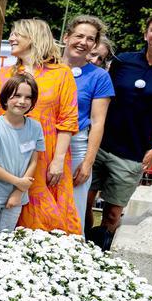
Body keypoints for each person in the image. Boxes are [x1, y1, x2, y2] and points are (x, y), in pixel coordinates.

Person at [89, 11, 152, 249]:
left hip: (133, 155)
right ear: (146, 34)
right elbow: (101, 99)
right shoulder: (123, 61)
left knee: (112, 215)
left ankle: (103, 255)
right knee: (82, 202)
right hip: (99, 145)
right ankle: (82, 245)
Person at [0, 18, 80, 234]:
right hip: (5, 156)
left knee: (48, 220)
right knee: (1, 214)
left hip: (46, 156)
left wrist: (58, 160)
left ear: (34, 37)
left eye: (17, 34)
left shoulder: (61, 74)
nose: (11, 38)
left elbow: (68, 121)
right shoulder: (3, 75)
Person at [61, 15, 114, 234]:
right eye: (79, 35)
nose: (83, 42)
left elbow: (98, 122)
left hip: (76, 145)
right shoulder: (47, 68)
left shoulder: (99, 77)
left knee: (73, 207)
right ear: (66, 37)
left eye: (90, 39)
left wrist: (87, 162)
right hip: (42, 143)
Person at [0, 74, 44, 232]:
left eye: (28, 97)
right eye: (17, 96)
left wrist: (19, 191)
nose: (22, 101)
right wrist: (18, 182)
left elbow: (33, 161)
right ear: (6, 97)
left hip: (17, 196)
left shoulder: (35, 127)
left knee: (6, 237)